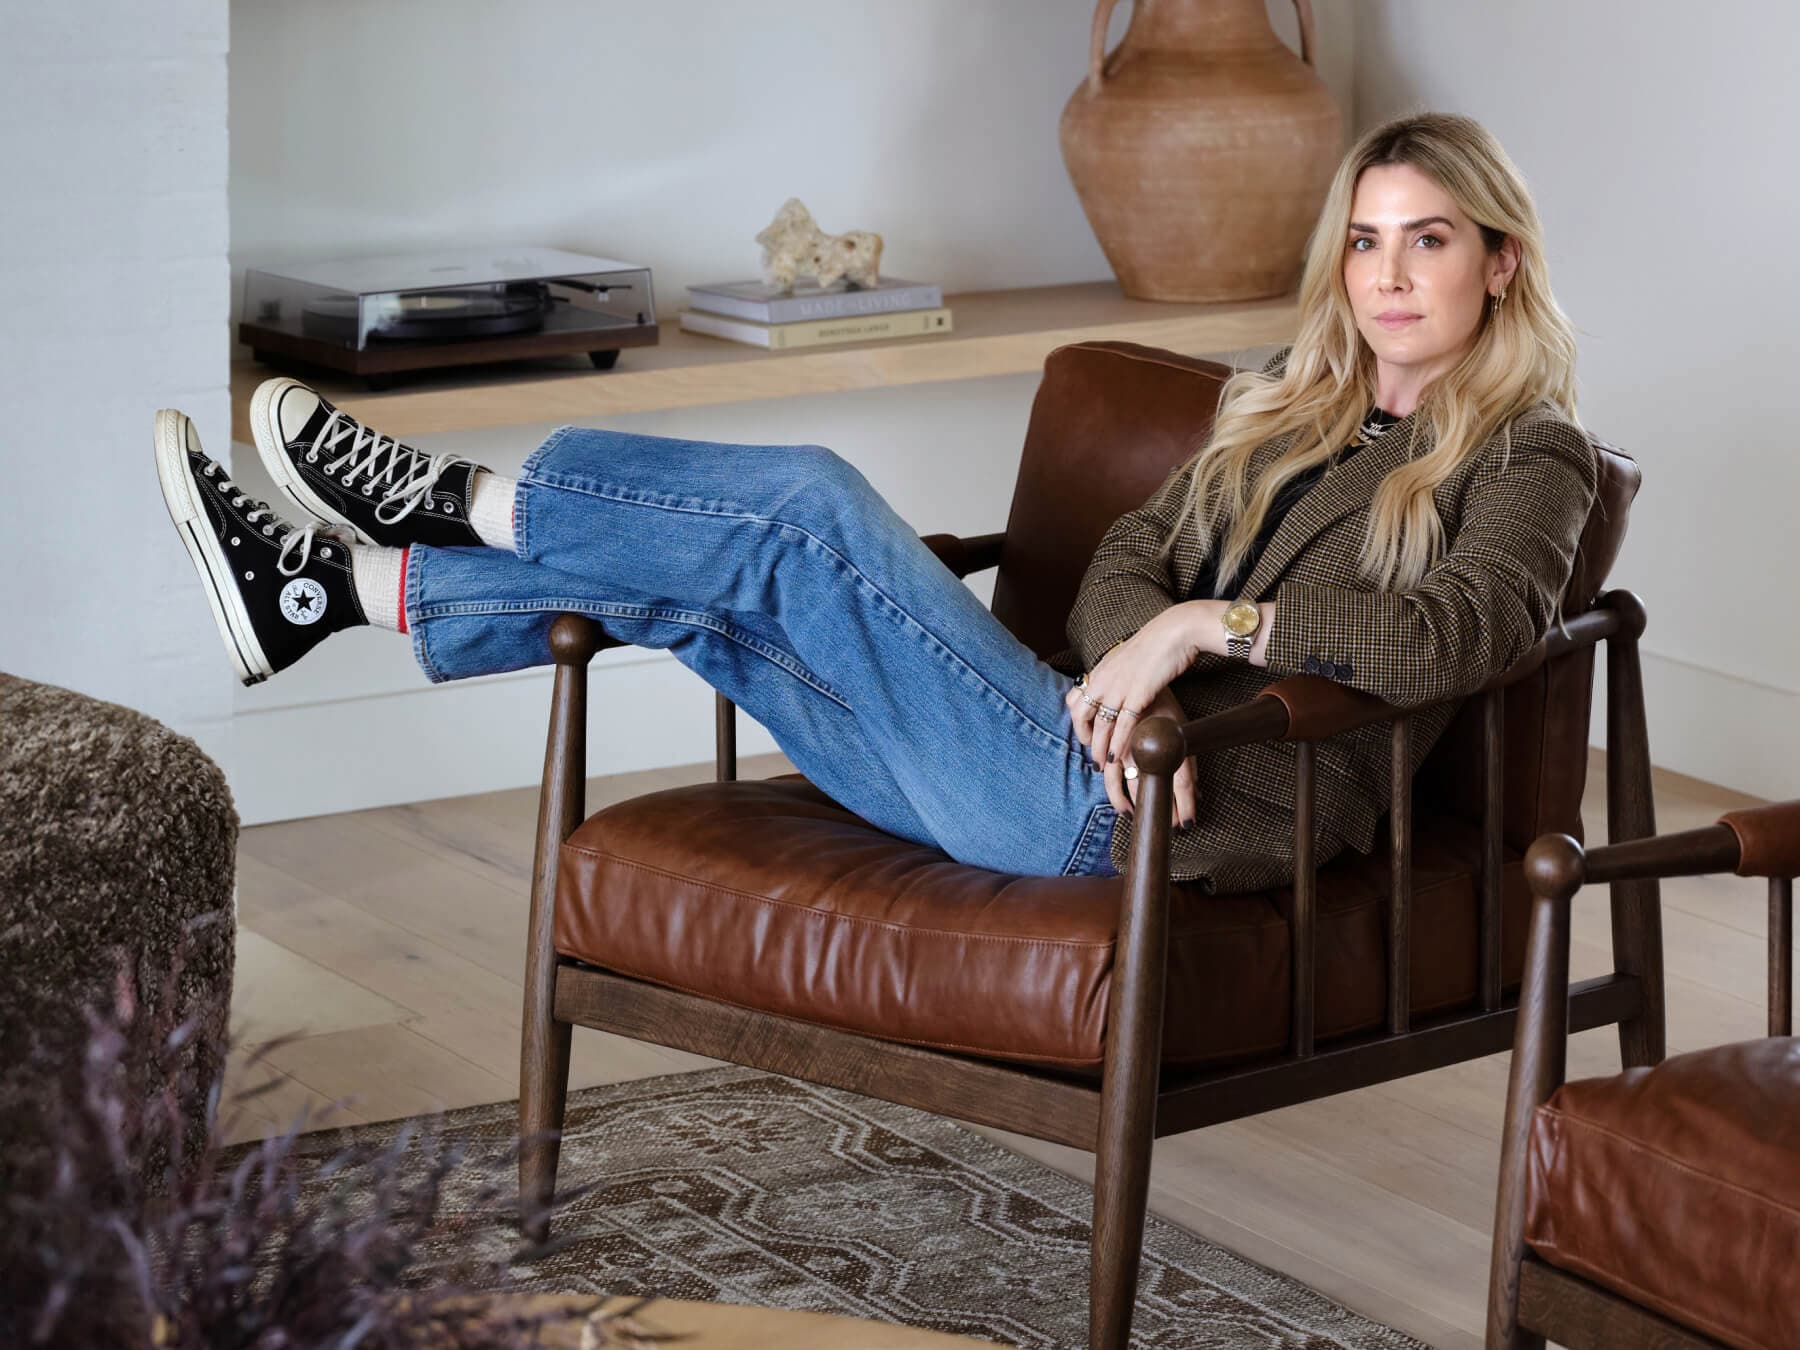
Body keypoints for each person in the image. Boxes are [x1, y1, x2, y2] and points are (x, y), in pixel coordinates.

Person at [155, 111, 1596, 893]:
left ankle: (454, 498)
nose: (1390, 274)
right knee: (708, 578)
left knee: (809, 504)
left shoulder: (1532, 456)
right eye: (1364, 241)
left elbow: (1459, 635)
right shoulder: (1293, 403)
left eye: (1429, 240)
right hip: (1052, 749)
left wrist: (1207, 632)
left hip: (1148, 811)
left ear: (1501, 263)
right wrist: (1130, 651)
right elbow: (1128, 555)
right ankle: (337, 590)